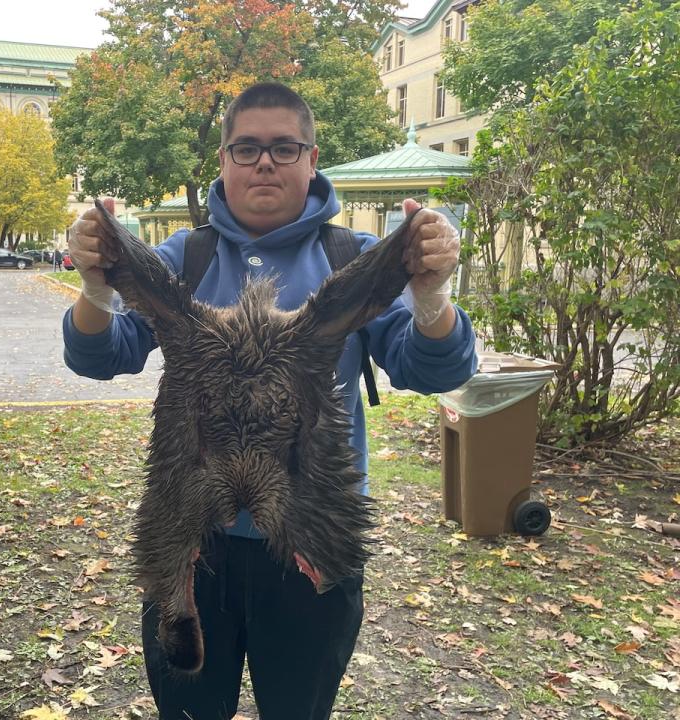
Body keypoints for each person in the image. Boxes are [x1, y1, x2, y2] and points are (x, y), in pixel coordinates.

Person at [63, 82, 477, 720]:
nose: (264, 162)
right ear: (224, 162)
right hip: (192, 542)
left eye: (284, 148)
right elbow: (98, 356)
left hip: (312, 540)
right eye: (247, 148)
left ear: (312, 160)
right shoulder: (186, 256)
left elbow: (433, 366)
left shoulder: (355, 256)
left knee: (300, 710)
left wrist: (430, 297)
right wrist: (96, 290)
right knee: (189, 704)